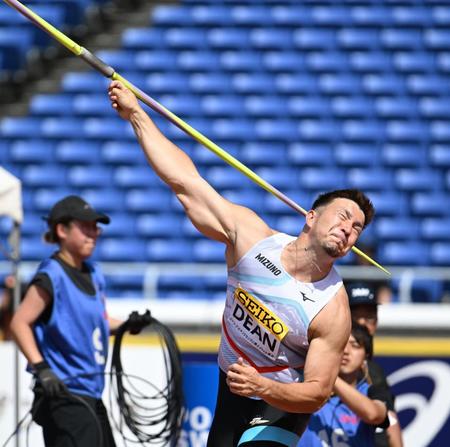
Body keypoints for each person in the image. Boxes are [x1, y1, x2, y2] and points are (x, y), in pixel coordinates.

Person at [108, 80, 375, 446]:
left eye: (357, 228)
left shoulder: (333, 309)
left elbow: (316, 392)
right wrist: (136, 114)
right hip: (231, 391)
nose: (348, 229)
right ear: (311, 217)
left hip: (280, 403)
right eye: (343, 216)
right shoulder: (252, 239)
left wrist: (262, 385)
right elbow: (187, 183)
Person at [10, 195, 149, 447]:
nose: (93, 233)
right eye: (85, 227)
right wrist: (42, 369)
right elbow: (20, 323)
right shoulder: (51, 276)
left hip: (90, 394)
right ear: (62, 230)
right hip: (65, 393)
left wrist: (128, 324)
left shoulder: (94, 273)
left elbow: (98, 322)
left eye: (95, 227)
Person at [298, 322, 389, 446]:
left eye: (355, 345)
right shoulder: (304, 384)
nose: (346, 351)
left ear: (366, 357)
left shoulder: (373, 392)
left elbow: (374, 415)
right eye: (341, 343)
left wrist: (327, 375)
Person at [347, 283, 403, 447]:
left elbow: (390, 420)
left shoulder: (374, 371)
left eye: (370, 317)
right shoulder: (319, 358)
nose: (363, 322)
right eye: (355, 316)